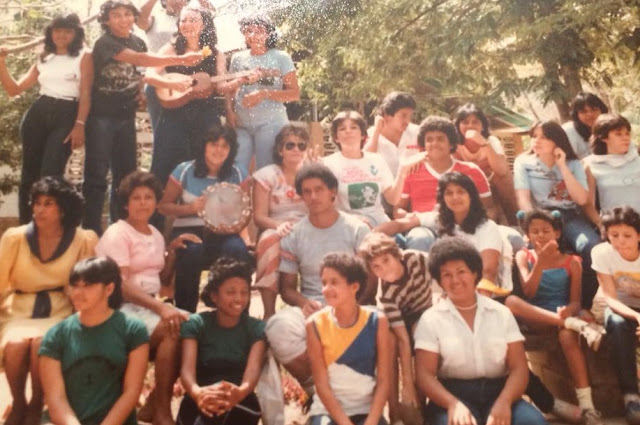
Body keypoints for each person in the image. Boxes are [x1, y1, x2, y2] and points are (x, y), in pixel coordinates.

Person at [83, 0, 204, 235]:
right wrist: (179, 60)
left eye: (127, 14)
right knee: (96, 177)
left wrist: (139, 93)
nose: (123, 19)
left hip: (126, 117)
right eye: (116, 15)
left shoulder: (137, 41)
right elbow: (140, 60)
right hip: (101, 118)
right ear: (106, 20)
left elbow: (139, 73)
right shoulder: (105, 43)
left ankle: (121, 230)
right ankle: (91, 232)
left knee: (125, 177)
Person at [96, 170, 201, 425]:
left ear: (156, 202)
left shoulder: (154, 233)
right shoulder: (117, 233)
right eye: (136, 198)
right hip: (121, 310)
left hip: (149, 308)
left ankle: (154, 403)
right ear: (126, 204)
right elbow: (119, 285)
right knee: (171, 327)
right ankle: (163, 411)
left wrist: (173, 250)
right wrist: (161, 308)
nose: (143, 202)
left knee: (196, 327)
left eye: (148, 197)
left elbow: (161, 280)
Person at [415, 237, 548, 425]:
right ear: (439, 280)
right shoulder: (431, 319)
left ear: (474, 273)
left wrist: (505, 401)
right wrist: (453, 404)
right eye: (446, 275)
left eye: (461, 272)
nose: (455, 280)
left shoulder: (501, 313)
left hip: (501, 392)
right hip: (453, 396)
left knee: (533, 423)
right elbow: (424, 375)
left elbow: (519, 367)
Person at [264, 163, 371, 395]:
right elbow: (288, 289)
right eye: (307, 191)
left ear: (333, 191)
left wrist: (349, 306)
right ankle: (317, 390)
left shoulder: (357, 229)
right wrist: (305, 304)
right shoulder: (294, 233)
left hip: (353, 305)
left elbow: (369, 283)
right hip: (313, 305)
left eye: (319, 189)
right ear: (301, 196)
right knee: (278, 327)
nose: (313, 196)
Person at [0, 176, 97, 425]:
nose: (39, 209)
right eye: (37, 203)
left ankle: (37, 404)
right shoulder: (14, 238)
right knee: (16, 345)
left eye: (48, 203)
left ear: (63, 209)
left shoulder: (82, 239)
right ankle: (19, 402)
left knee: (42, 344)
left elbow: (85, 287)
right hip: (19, 310)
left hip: (60, 309)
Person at [509, 209, 604, 425]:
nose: (540, 236)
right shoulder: (525, 255)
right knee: (511, 302)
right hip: (536, 317)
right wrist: (540, 263)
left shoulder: (572, 262)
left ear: (557, 233)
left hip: (563, 315)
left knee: (567, 337)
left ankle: (587, 406)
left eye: (545, 231)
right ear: (528, 235)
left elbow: (575, 301)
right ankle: (574, 324)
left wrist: (568, 312)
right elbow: (529, 292)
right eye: (535, 231)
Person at [0, 13, 92, 224]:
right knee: (28, 175)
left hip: (67, 113)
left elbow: (85, 93)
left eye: (67, 31)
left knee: (51, 173)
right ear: (50, 33)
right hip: (38, 113)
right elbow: (14, 89)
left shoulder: (84, 55)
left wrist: (80, 125)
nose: (61, 35)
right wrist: (1, 63)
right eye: (57, 30)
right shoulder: (43, 57)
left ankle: (51, 224)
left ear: (76, 33)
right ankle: (26, 227)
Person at [39, 256, 149, 425]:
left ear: (109, 289)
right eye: (74, 286)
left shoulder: (132, 330)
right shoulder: (56, 335)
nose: (77, 293)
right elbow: (55, 399)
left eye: (87, 286)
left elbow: (131, 392)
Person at [146, 5, 238, 197]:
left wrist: (238, 82)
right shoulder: (171, 49)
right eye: (183, 20)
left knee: (206, 162)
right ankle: (158, 220)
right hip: (173, 114)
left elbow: (221, 87)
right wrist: (169, 82)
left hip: (205, 115)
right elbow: (149, 76)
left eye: (193, 20)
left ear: (204, 25)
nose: (186, 24)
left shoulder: (216, 53)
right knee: (165, 164)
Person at [158, 125, 250, 313]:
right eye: (214, 144)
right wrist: (190, 208)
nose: (219, 150)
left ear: (231, 149)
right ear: (204, 146)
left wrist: (235, 227)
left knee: (237, 250)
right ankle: (186, 315)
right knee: (192, 252)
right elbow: (163, 206)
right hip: (188, 229)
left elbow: (246, 212)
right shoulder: (184, 170)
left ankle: (235, 314)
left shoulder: (238, 172)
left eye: (225, 146)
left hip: (224, 232)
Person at [514, 120, 601, 308]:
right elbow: (523, 199)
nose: (537, 141)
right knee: (522, 248)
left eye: (544, 137)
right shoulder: (523, 162)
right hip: (538, 216)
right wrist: (531, 227)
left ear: (557, 140)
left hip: (569, 215)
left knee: (591, 247)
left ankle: (582, 306)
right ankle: (531, 305)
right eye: (534, 136)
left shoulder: (574, 164)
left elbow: (581, 199)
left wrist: (562, 166)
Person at [377, 172, 514, 288]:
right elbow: (400, 225)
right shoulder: (440, 220)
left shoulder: (487, 227)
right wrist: (372, 236)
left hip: (481, 290)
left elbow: (488, 272)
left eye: (461, 192)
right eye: (449, 193)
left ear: (471, 196)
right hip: (450, 289)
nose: (455, 197)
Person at [178, 257, 266, 425]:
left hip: (240, 398)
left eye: (244, 292)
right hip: (200, 396)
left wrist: (239, 393)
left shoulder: (255, 328)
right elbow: (187, 370)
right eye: (231, 292)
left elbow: (252, 371)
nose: (239, 299)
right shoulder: (196, 325)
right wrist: (198, 393)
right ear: (214, 296)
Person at [357, 232, 433, 424]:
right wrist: (405, 383)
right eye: (376, 267)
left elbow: (442, 280)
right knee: (389, 342)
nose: (383, 269)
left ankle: (422, 403)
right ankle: (395, 412)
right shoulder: (386, 295)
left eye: (386, 260)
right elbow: (403, 340)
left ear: (397, 254)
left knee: (422, 330)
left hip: (425, 312)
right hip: (399, 322)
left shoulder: (419, 259)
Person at [307, 253, 390, 425]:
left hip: (367, 411)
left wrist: (372, 421)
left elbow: (384, 380)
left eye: (334, 282)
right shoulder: (315, 324)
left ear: (354, 287)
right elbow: (321, 385)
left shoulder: (377, 321)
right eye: (324, 283)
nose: (326, 289)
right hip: (328, 412)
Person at [229, 15, 300, 171]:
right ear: (244, 34)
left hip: (271, 122)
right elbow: (230, 90)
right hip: (242, 124)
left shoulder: (280, 57)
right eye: (249, 31)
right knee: (237, 169)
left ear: (268, 34)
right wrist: (230, 112)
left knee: (267, 170)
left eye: (260, 31)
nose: (253, 35)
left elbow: (294, 93)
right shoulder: (237, 58)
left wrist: (263, 94)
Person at [253, 124, 309, 318]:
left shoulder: (312, 173)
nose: (296, 150)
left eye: (301, 146)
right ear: (280, 150)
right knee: (268, 241)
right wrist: (279, 226)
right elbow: (259, 217)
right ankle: (268, 313)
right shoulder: (267, 175)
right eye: (290, 145)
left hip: (308, 226)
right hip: (276, 225)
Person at [590, 206, 640, 425]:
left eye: (627, 235)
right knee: (617, 324)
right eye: (614, 235)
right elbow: (610, 298)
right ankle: (631, 396)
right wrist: (637, 318)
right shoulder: (601, 252)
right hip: (622, 307)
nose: (620, 241)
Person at [323, 111, 413, 228]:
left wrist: (402, 172)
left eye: (354, 127)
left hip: (381, 226)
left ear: (362, 135)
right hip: (348, 227)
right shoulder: (328, 164)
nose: (348, 131)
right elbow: (325, 206)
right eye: (342, 129)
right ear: (336, 138)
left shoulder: (377, 160)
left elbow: (393, 199)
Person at [453, 103, 519, 224]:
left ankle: (515, 222)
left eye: (475, 122)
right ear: (458, 125)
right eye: (465, 122)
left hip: (493, 184)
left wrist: (484, 144)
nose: (470, 125)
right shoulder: (455, 145)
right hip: (469, 183)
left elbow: (502, 171)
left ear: (482, 125)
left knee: (504, 177)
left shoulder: (491, 141)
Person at [583, 114, 640, 226]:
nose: (625, 138)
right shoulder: (590, 165)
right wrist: (601, 224)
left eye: (627, 133)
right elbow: (588, 204)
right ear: (603, 137)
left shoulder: (637, 158)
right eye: (618, 134)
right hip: (616, 227)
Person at [364, 91, 421, 176]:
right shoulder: (370, 136)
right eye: (403, 116)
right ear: (387, 115)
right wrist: (376, 133)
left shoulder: (417, 133)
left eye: (410, 116)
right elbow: (364, 162)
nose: (408, 121)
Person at [562, 92, 608, 160]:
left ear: (602, 110)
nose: (590, 114)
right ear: (576, 115)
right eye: (584, 111)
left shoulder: (611, 128)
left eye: (594, 109)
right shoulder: (568, 132)